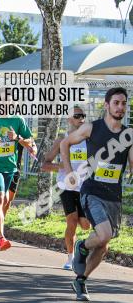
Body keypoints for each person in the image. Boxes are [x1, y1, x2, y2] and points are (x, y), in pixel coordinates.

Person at [61, 87, 131, 301]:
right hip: (91, 191)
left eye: (123, 103)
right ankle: (81, 246)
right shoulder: (92, 128)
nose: (120, 107)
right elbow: (65, 143)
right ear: (107, 105)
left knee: (103, 245)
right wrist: (70, 171)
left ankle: (81, 280)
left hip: (113, 196)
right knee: (104, 235)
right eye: (116, 103)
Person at [41, 106, 92, 270]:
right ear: (69, 118)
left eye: (83, 115)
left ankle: (79, 247)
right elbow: (45, 165)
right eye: (77, 115)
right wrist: (61, 166)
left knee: (85, 225)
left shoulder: (89, 139)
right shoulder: (62, 140)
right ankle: (71, 258)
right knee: (71, 221)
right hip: (66, 186)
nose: (81, 118)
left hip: (84, 187)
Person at [0, 103, 36, 251]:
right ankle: (1, 238)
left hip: (10, 167)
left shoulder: (18, 120)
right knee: (0, 198)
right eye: (2, 101)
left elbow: (30, 142)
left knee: (6, 201)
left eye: (9, 102)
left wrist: (17, 137)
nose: (5, 105)